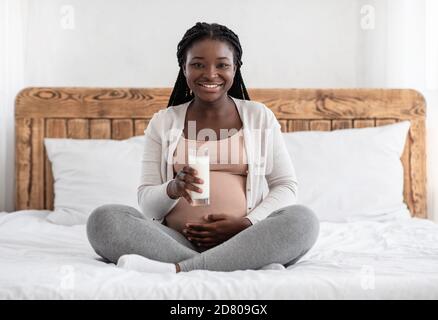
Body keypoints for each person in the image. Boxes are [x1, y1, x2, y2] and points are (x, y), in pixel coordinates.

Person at [86, 22, 319, 273]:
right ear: (183, 68)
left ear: (235, 68)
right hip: (173, 240)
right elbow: (147, 205)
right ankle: (228, 263)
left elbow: (285, 186)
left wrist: (245, 224)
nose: (210, 74)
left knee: (303, 221)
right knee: (105, 219)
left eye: (222, 65)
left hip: (243, 238)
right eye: (198, 64)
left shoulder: (259, 117)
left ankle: (179, 269)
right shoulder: (163, 122)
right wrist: (173, 189)